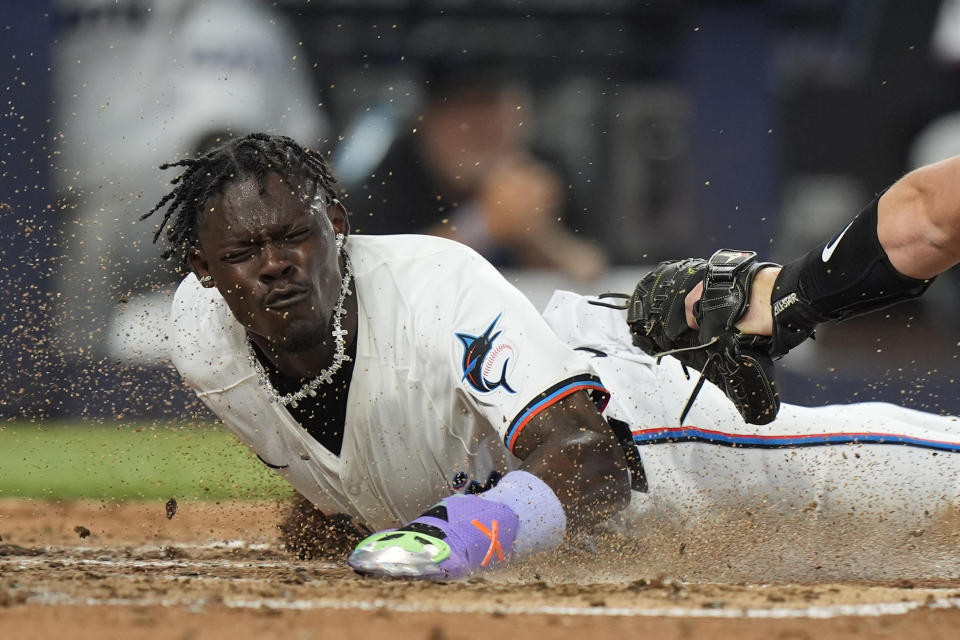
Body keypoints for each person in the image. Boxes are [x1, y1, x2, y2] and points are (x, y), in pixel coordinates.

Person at [149, 133, 960, 581]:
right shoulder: (200, 334)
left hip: (646, 436)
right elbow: (345, 451)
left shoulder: (435, 285)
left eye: (293, 236)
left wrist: (462, 535)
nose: (275, 264)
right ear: (201, 268)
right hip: (525, 454)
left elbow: (595, 462)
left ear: (336, 224)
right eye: (243, 252)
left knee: (851, 470)